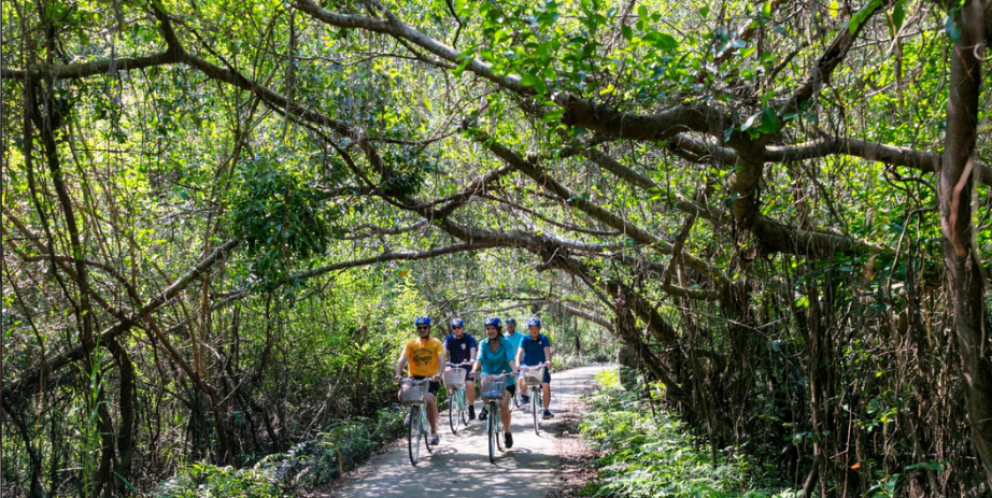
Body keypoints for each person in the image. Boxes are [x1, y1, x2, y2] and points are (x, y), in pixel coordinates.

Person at [394, 316, 445, 445]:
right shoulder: (411, 343)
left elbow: (442, 360)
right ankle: (412, 411)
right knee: (402, 394)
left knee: (429, 400)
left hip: (431, 378)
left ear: (429, 328)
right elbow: (402, 359)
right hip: (414, 377)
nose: (422, 330)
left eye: (424, 328)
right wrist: (398, 374)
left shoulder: (436, 343)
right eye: (419, 328)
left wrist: (439, 373)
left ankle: (433, 432)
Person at [473, 316, 518, 448]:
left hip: (506, 378)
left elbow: (510, 358)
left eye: (492, 328)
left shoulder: (506, 343)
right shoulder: (483, 343)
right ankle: (486, 407)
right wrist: (473, 370)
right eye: (487, 329)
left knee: (504, 405)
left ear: (498, 329)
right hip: (488, 376)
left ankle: (507, 433)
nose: (490, 331)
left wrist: (514, 369)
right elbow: (479, 358)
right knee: (484, 385)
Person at [515, 317, 554, 419]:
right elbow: (520, 352)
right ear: (528, 329)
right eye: (531, 328)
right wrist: (517, 363)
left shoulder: (544, 339)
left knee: (546, 385)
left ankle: (545, 410)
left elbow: (547, 352)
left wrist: (548, 360)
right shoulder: (525, 339)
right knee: (520, 380)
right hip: (526, 366)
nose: (534, 330)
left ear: (539, 328)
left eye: (535, 328)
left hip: (540, 366)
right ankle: (525, 394)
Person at [443, 318, 478, 420]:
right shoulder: (449, 339)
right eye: (454, 328)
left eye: (459, 327)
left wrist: (472, 358)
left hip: (467, 366)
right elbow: (444, 350)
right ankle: (450, 395)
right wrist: (443, 362)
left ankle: (471, 406)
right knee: (445, 372)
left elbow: (472, 349)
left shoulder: (469, 338)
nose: (456, 329)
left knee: (469, 384)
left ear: (463, 328)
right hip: (454, 366)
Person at [503, 317, 527, 404]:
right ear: (506, 326)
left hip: (519, 361)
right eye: (508, 324)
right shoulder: (503, 337)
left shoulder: (520, 336)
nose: (510, 326)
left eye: (511, 324)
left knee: (522, 377)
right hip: (507, 362)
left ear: (515, 326)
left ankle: (524, 395)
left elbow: (524, 349)